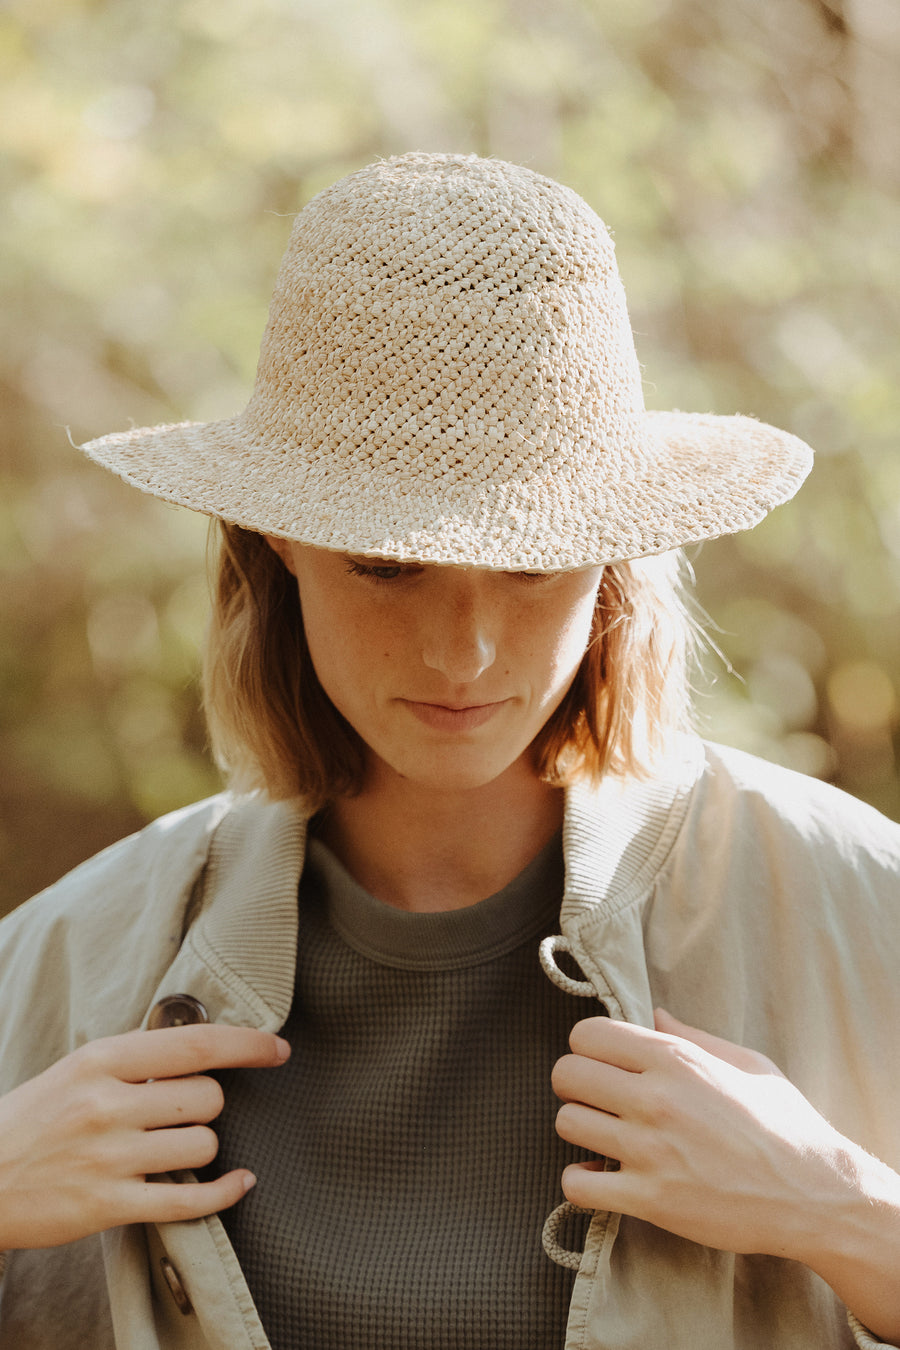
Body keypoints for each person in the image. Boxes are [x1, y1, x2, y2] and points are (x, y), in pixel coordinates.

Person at [0, 152, 898, 1350]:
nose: (465, 653)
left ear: (618, 557)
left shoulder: (856, 906)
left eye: (533, 568)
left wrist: (843, 1209)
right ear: (274, 544)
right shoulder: (65, 963)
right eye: (387, 566)